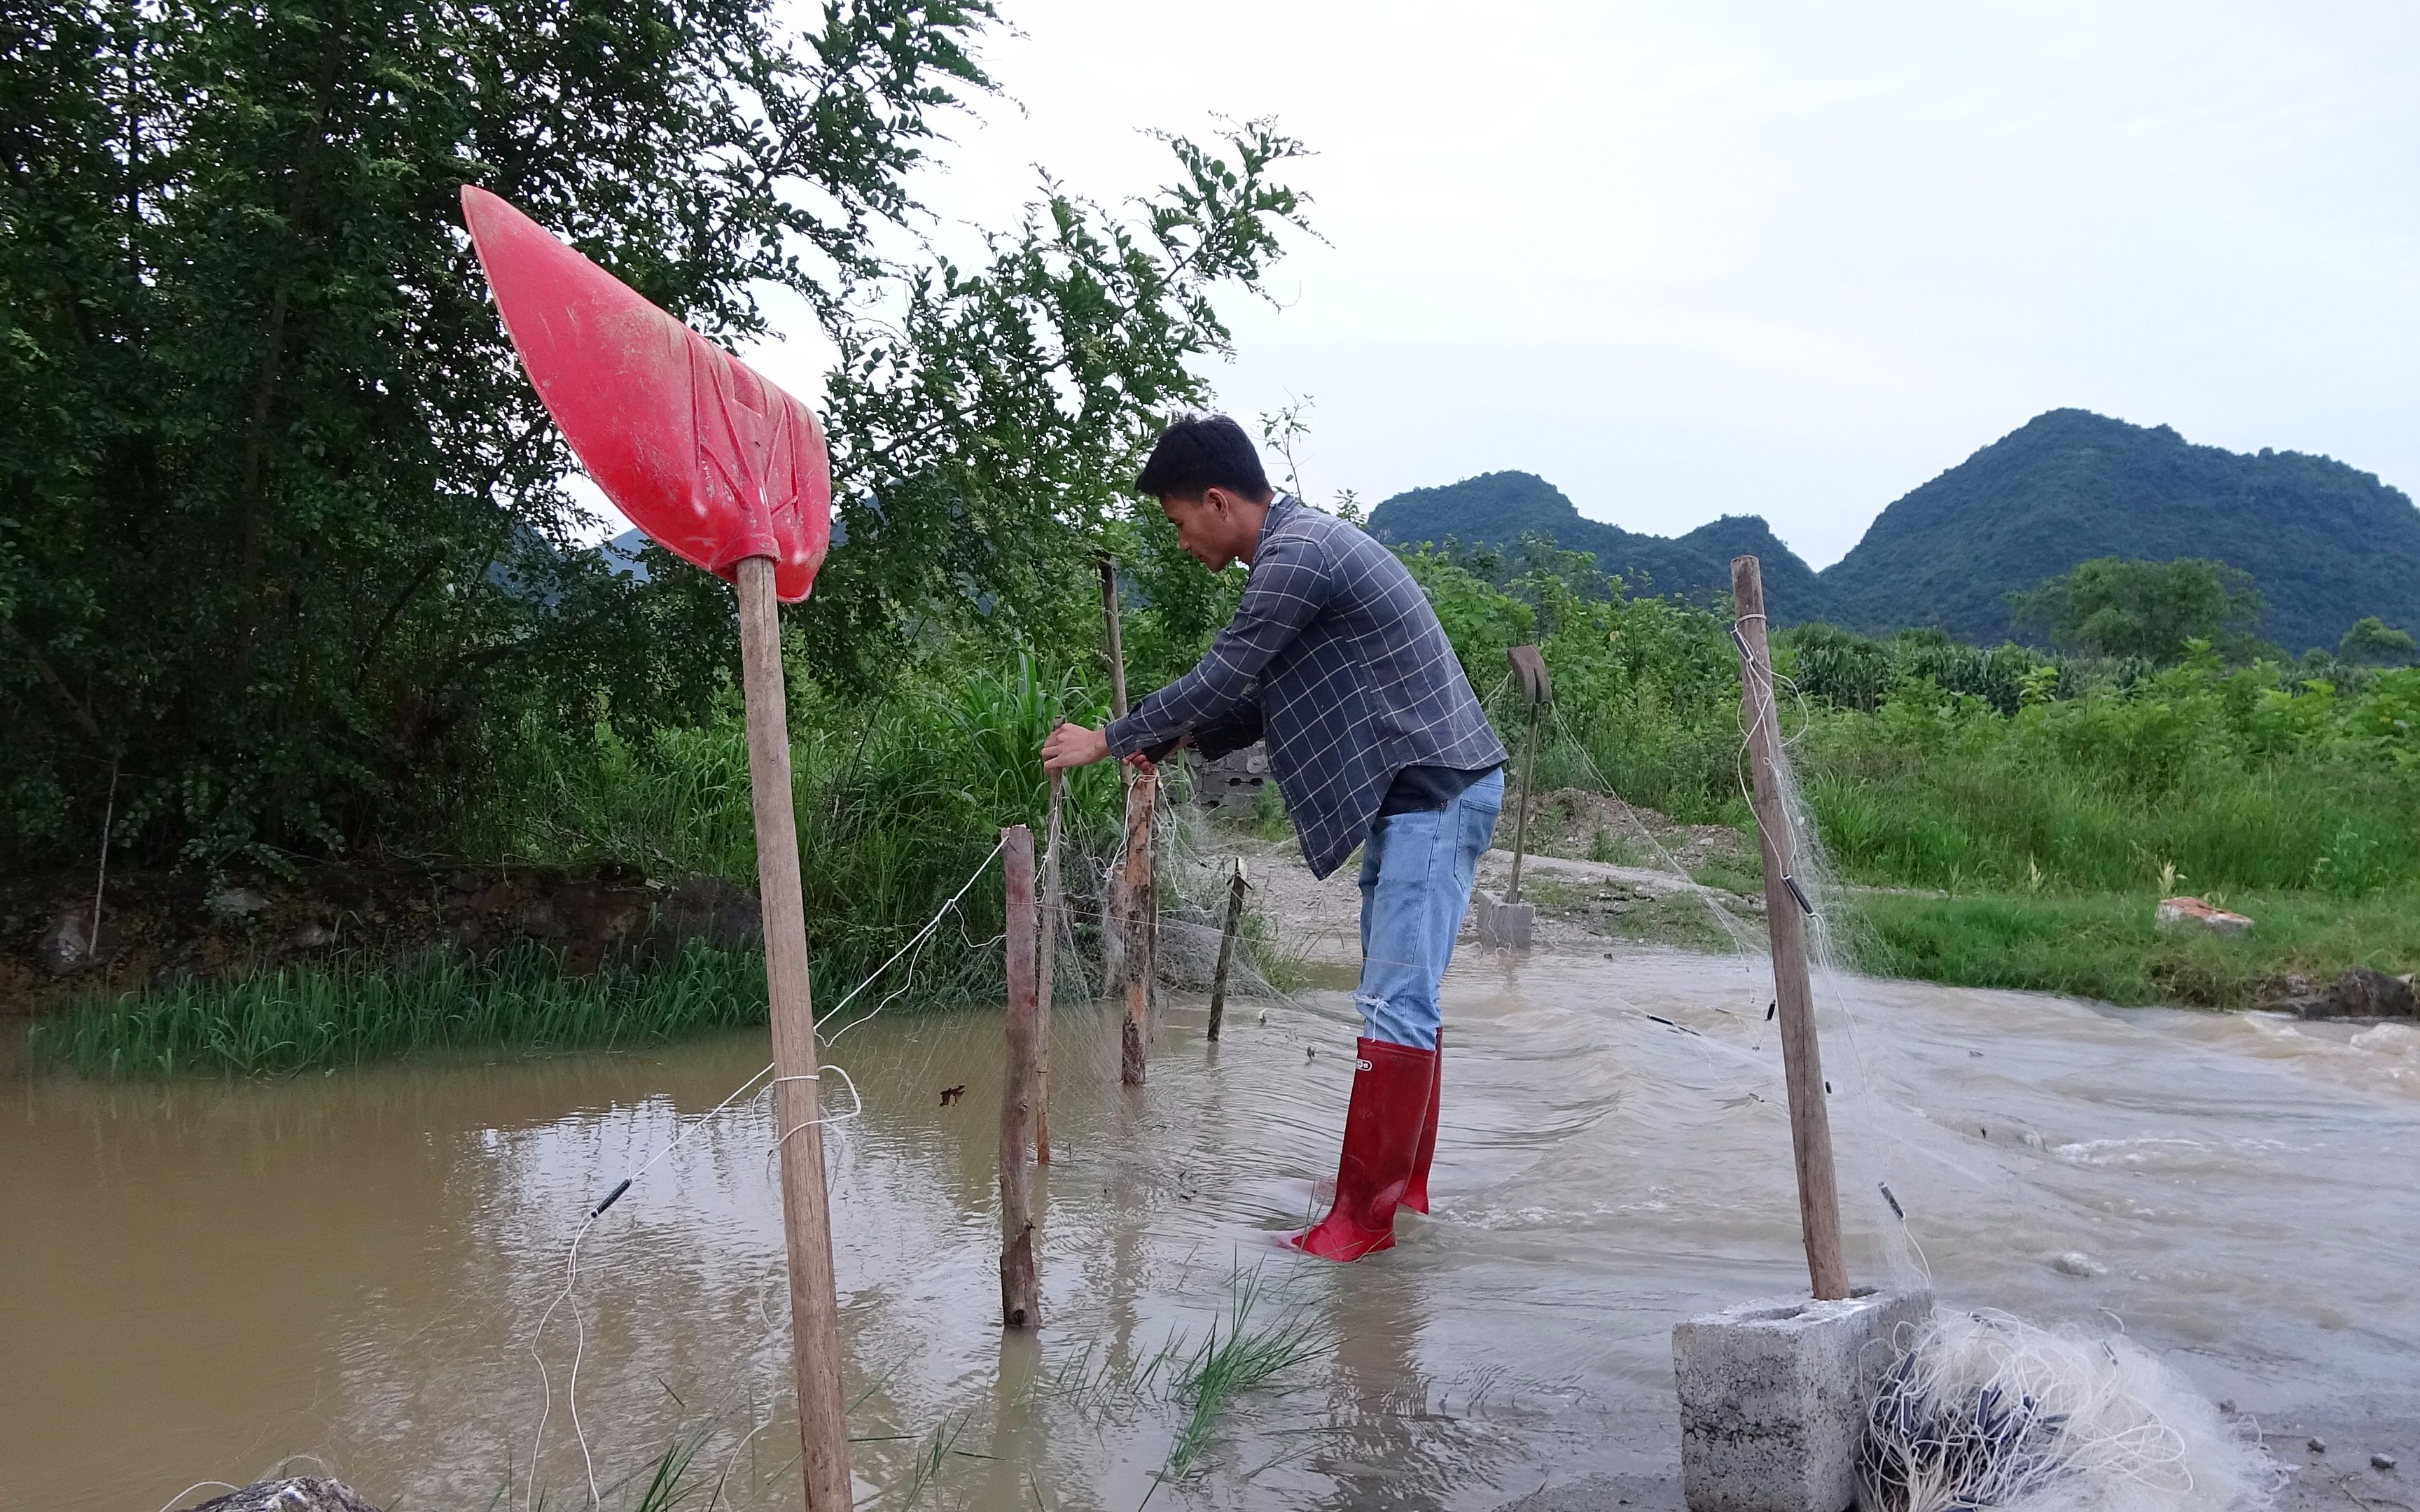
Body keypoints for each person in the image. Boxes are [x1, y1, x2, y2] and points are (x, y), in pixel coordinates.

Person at [1041, 414, 1506, 1261]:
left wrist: (1107, 737)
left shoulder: (1296, 558)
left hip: (1437, 790)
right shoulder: (1299, 553)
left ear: (1218, 502)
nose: (1182, 543)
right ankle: (1400, 1195)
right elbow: (1266, 696)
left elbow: (1227, 672)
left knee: (1396, 1000)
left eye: (1180, 524)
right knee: (1398, 995)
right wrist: (1175, 738)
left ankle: (1363, 1223)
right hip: (1417, 792)